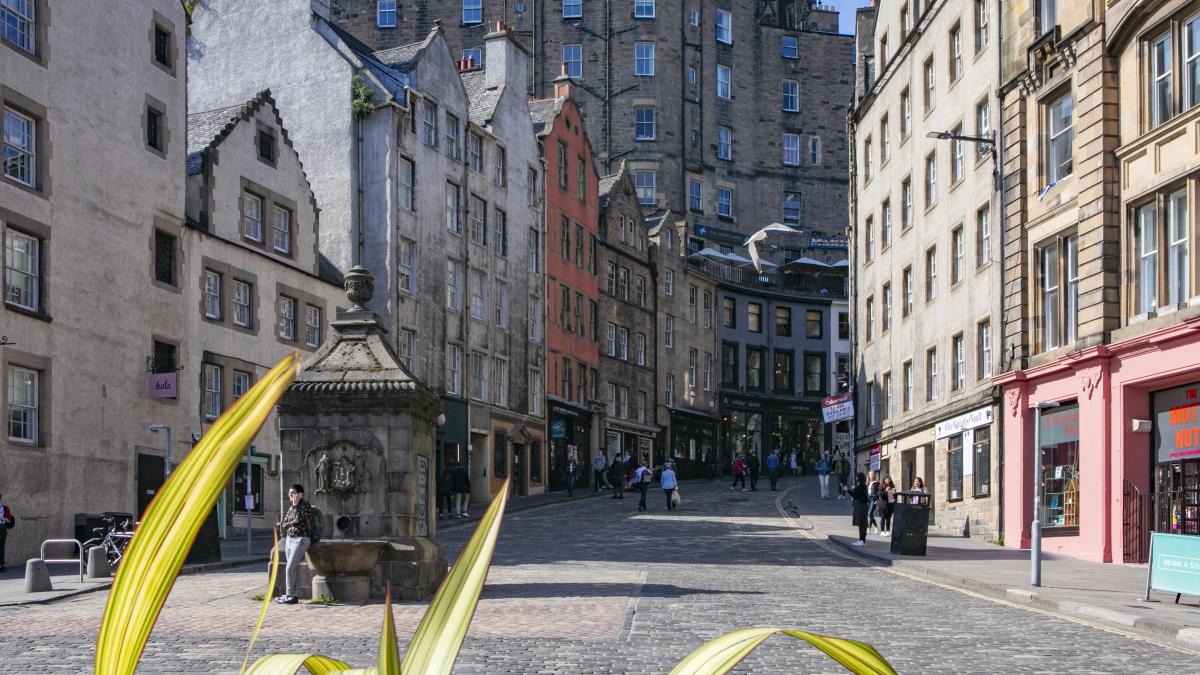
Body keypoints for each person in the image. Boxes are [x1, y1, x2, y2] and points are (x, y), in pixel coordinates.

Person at [277, 484, 315, 604]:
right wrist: (292, 522)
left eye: (293, 493)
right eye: (289, 494)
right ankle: (294, 595)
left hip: (301, 539)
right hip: (289, 539)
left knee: (289, 567)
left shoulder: (305, 505)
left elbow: (300, 518)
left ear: (300, 494)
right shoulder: (291, 508)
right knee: (292, 568)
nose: (291, 496)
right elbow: (284, 524)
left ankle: (290, 595)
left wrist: (292, 521)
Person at [849, 473, 869, 547]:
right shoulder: (862, 485)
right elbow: (857, 494)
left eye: (857, 477)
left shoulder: (861, 486)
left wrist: (847, 490)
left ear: (859, 478)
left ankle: (862, 541)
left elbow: (855, 495)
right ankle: (861, 540)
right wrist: (854, 489)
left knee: (862, 524)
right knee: (862, 524)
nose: (856, 478)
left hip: (861, 506)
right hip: (862, 506)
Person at [0, 494, 12, 573]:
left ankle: (2, 564)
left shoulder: (5, 508)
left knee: (1, 546)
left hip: (2, 527)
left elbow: (9, 520)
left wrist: (2, 518)